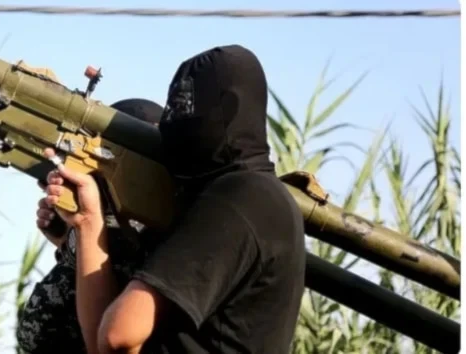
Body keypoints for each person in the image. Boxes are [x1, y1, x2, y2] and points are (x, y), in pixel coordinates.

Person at [41, 44, 306, 353]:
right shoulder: (249, 196)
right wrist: (88, 223)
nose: (174, 122)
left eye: (188, 107)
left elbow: (118, 335)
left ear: (229, 108)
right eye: (175, 107)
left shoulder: (242, 196)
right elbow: (105, 343)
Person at [16, 98, 164, 353]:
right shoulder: (120, 233)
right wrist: (67, 243)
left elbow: (96, 337)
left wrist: (86, 224)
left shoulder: (145, 239)